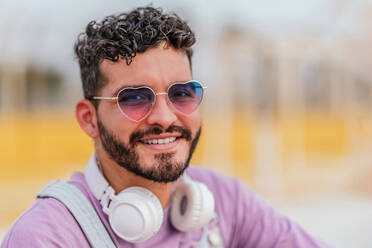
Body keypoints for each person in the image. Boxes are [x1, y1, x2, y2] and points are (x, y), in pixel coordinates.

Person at [1, 6, 333, 248]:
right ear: (89, 119)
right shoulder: (48, 237)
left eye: (182, 93)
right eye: (134, 98)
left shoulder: (222, 201)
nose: (165, 116)